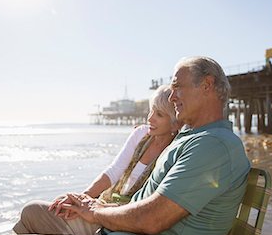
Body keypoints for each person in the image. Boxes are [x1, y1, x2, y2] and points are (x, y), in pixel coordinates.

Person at [0, 56, 251, 235]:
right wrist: (97, 204)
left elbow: (153, 219)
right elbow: (145, 205)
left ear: (207, 85)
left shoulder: (213, 146)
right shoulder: (192, 138)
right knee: (36, 212)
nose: (171, 94)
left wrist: (96, 213)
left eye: (177, 87)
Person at [50, 85, 180, 212]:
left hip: (126, 215)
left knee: (35, 210)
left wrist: (94, 208)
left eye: (159, 115)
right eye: (151, 111)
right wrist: (82, 197)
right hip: (106, 203)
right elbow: (114, 171)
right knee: (53, 206)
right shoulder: (141, 134)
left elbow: (151, 204)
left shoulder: (175, 151)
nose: (150, 118)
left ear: (175, 123)